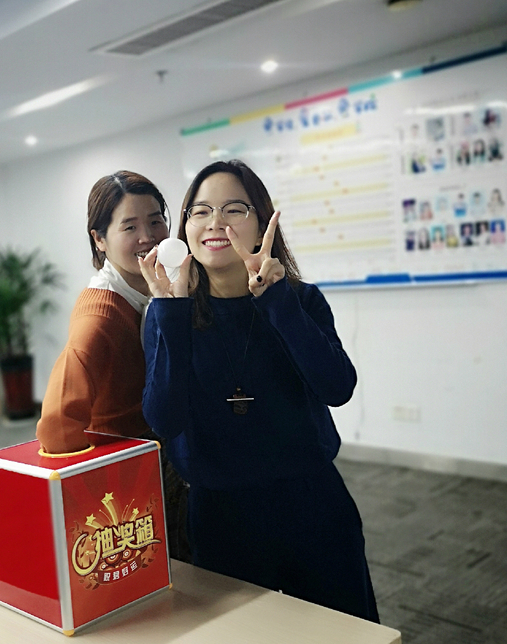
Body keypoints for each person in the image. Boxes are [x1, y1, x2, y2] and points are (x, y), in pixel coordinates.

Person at [138, 159, 379, 622]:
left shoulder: (299, 299)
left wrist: (276, 300)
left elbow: (337, 387)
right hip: (221, 517)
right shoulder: (168, 313)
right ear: (185, 227)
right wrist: (172, 313)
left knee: (340, 630)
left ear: (262, 221)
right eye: (200, 211)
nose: (215, 223)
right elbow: (164, 420)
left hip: (313, 504)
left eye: (233, 209)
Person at [35, 170, 191, 561]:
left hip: (165, 454)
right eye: (130, 226)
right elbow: (56, 421)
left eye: (155, 220)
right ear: (99, 239)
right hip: (131, 471)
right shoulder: (100, 314)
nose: (148, 236)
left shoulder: (161, 287)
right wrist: (89, 494)